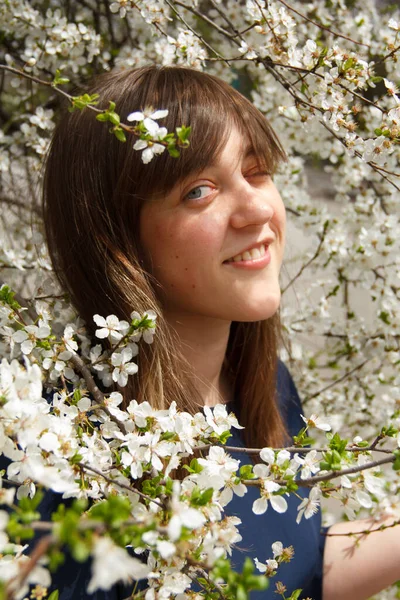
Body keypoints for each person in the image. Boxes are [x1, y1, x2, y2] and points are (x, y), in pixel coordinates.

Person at [41, 65, 400, 600]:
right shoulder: (63, 455)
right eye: (199, 191)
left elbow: (289, 573)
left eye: (256, 171)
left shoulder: (267, 386)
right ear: (117, 241)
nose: (257, 209)